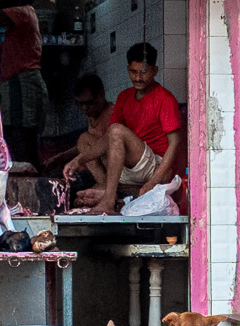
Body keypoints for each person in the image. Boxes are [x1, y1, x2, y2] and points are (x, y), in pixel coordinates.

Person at [66, 42, 184, 214]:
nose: (138, 78)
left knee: (116, 130)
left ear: (155, 71)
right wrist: (79, 160)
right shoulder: (124, 97)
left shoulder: (165, 98)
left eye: (143, 72)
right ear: (128, 69)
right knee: (85, 140)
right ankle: (109, 189)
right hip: (132, 165)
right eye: (133, 72)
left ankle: (108, 199)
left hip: (153, 166)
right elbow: (107, 138)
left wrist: (153, 183)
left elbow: (174, 144)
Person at [0, 0, 46, 164]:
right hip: (19, 82)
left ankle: (32, 182)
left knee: (20, 135)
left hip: (21, 82)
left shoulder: (23, 13)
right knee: (16, 136)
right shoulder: (23, 14)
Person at [53, 74, 113, 176]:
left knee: (83, 139)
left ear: (100, 95)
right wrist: (59, 158)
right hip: (102, 167)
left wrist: (78, 160)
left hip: (116, 169)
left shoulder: (112, 114)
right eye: (81, 104)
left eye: (88, 103)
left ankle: (104, 185)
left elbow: (103, 146)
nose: (84, 108)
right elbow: (84, 147)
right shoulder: (92, 116)